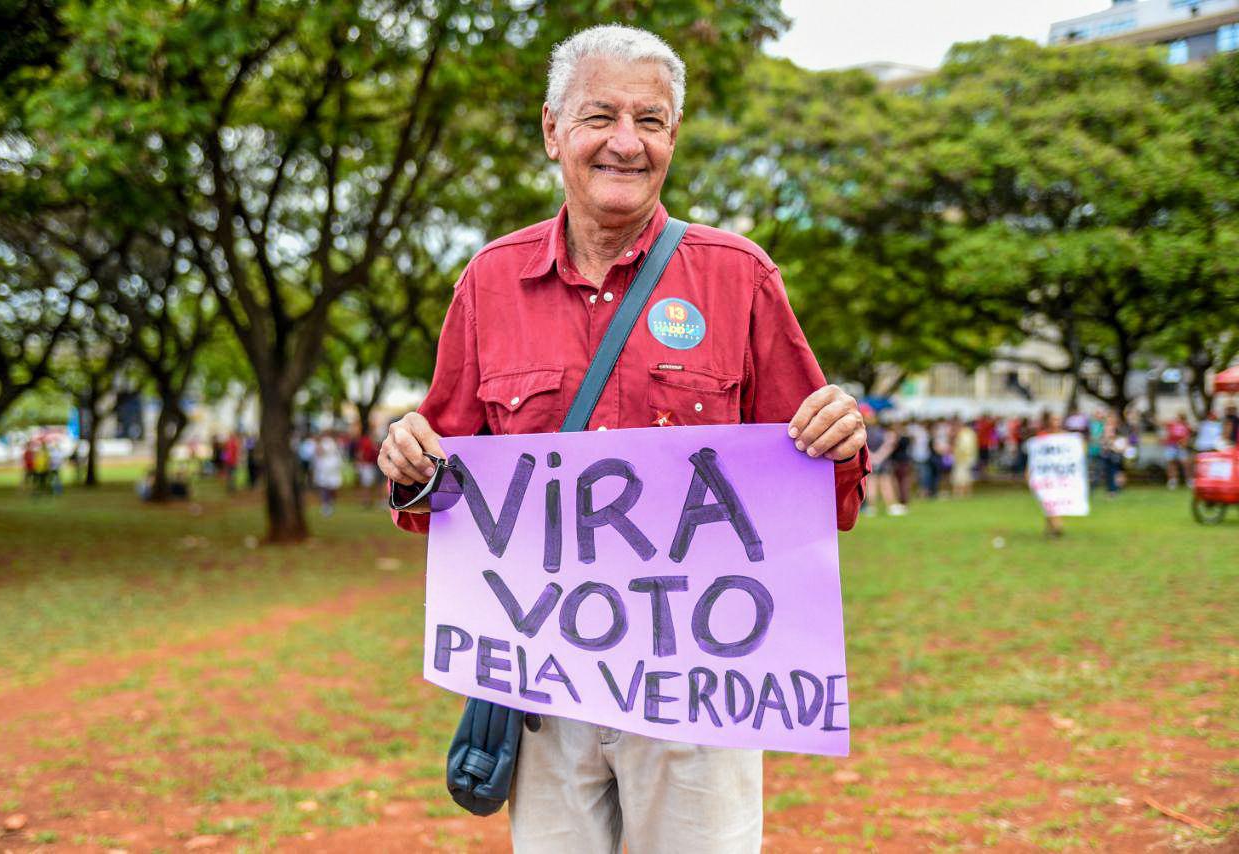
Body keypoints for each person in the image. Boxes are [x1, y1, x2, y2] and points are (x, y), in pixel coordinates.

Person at [376, 25, 869, 854]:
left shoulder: (739, 276)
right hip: (543, 693)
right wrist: (409, 462)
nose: (625, 142)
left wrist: (840, 435)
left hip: (702, 692)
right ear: (551, 130)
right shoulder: (489, 282)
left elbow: (824, 487)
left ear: (674, 135)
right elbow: (442, 488)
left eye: (651, 119)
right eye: (599, 116)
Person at [312, 433, 343, 516]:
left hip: (331, 469)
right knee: (325, 488)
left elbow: (321, 452)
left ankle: (328, 504)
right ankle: (326, 505)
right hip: (326, 469)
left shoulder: (330, 443)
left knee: (330, 488)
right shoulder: (325, 442)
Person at [1163, 411, 1192, 488]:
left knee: (1186, 464)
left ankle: (1189, 480)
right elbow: (1162, 423)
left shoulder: (1186, 426)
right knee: (1171, 464)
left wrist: (1184, 443)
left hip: (1181, 447)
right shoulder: (1172, 424)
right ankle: (1173, 481)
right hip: (1171, 446)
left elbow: (1187, 437)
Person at [952, 419, 978, 498]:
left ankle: (961, 494)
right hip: (968, 458)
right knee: (966, 476)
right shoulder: (970, 433)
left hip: (963, 459)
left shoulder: (965, 434)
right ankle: (965, 493)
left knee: (962, 477)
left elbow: (964, 447)